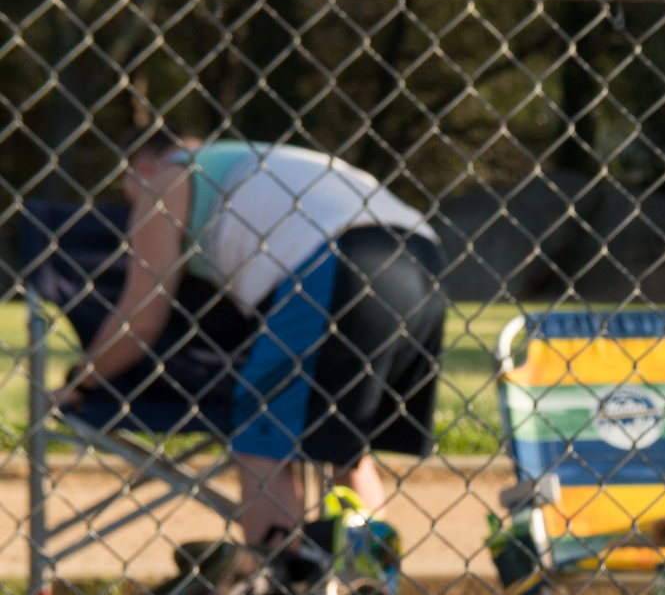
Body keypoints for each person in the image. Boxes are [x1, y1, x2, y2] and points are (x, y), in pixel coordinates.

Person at [53, 129, 444, 545]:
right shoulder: (257, 157)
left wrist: (80, 382)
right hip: (423, 260)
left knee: (261, 435)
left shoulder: (168, 178)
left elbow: (142, 317)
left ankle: (282, 574)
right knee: (345, 444)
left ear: (143, 167)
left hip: (339, 260)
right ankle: (364, 574)